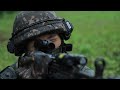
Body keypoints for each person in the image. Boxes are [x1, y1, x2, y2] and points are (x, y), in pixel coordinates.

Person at [0, 11, 94, 79]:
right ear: (25, 48)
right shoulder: (14, 73)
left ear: (61, 39)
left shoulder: (75, 70)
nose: (47, 46)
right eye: (37, 43)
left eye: (52, 39)